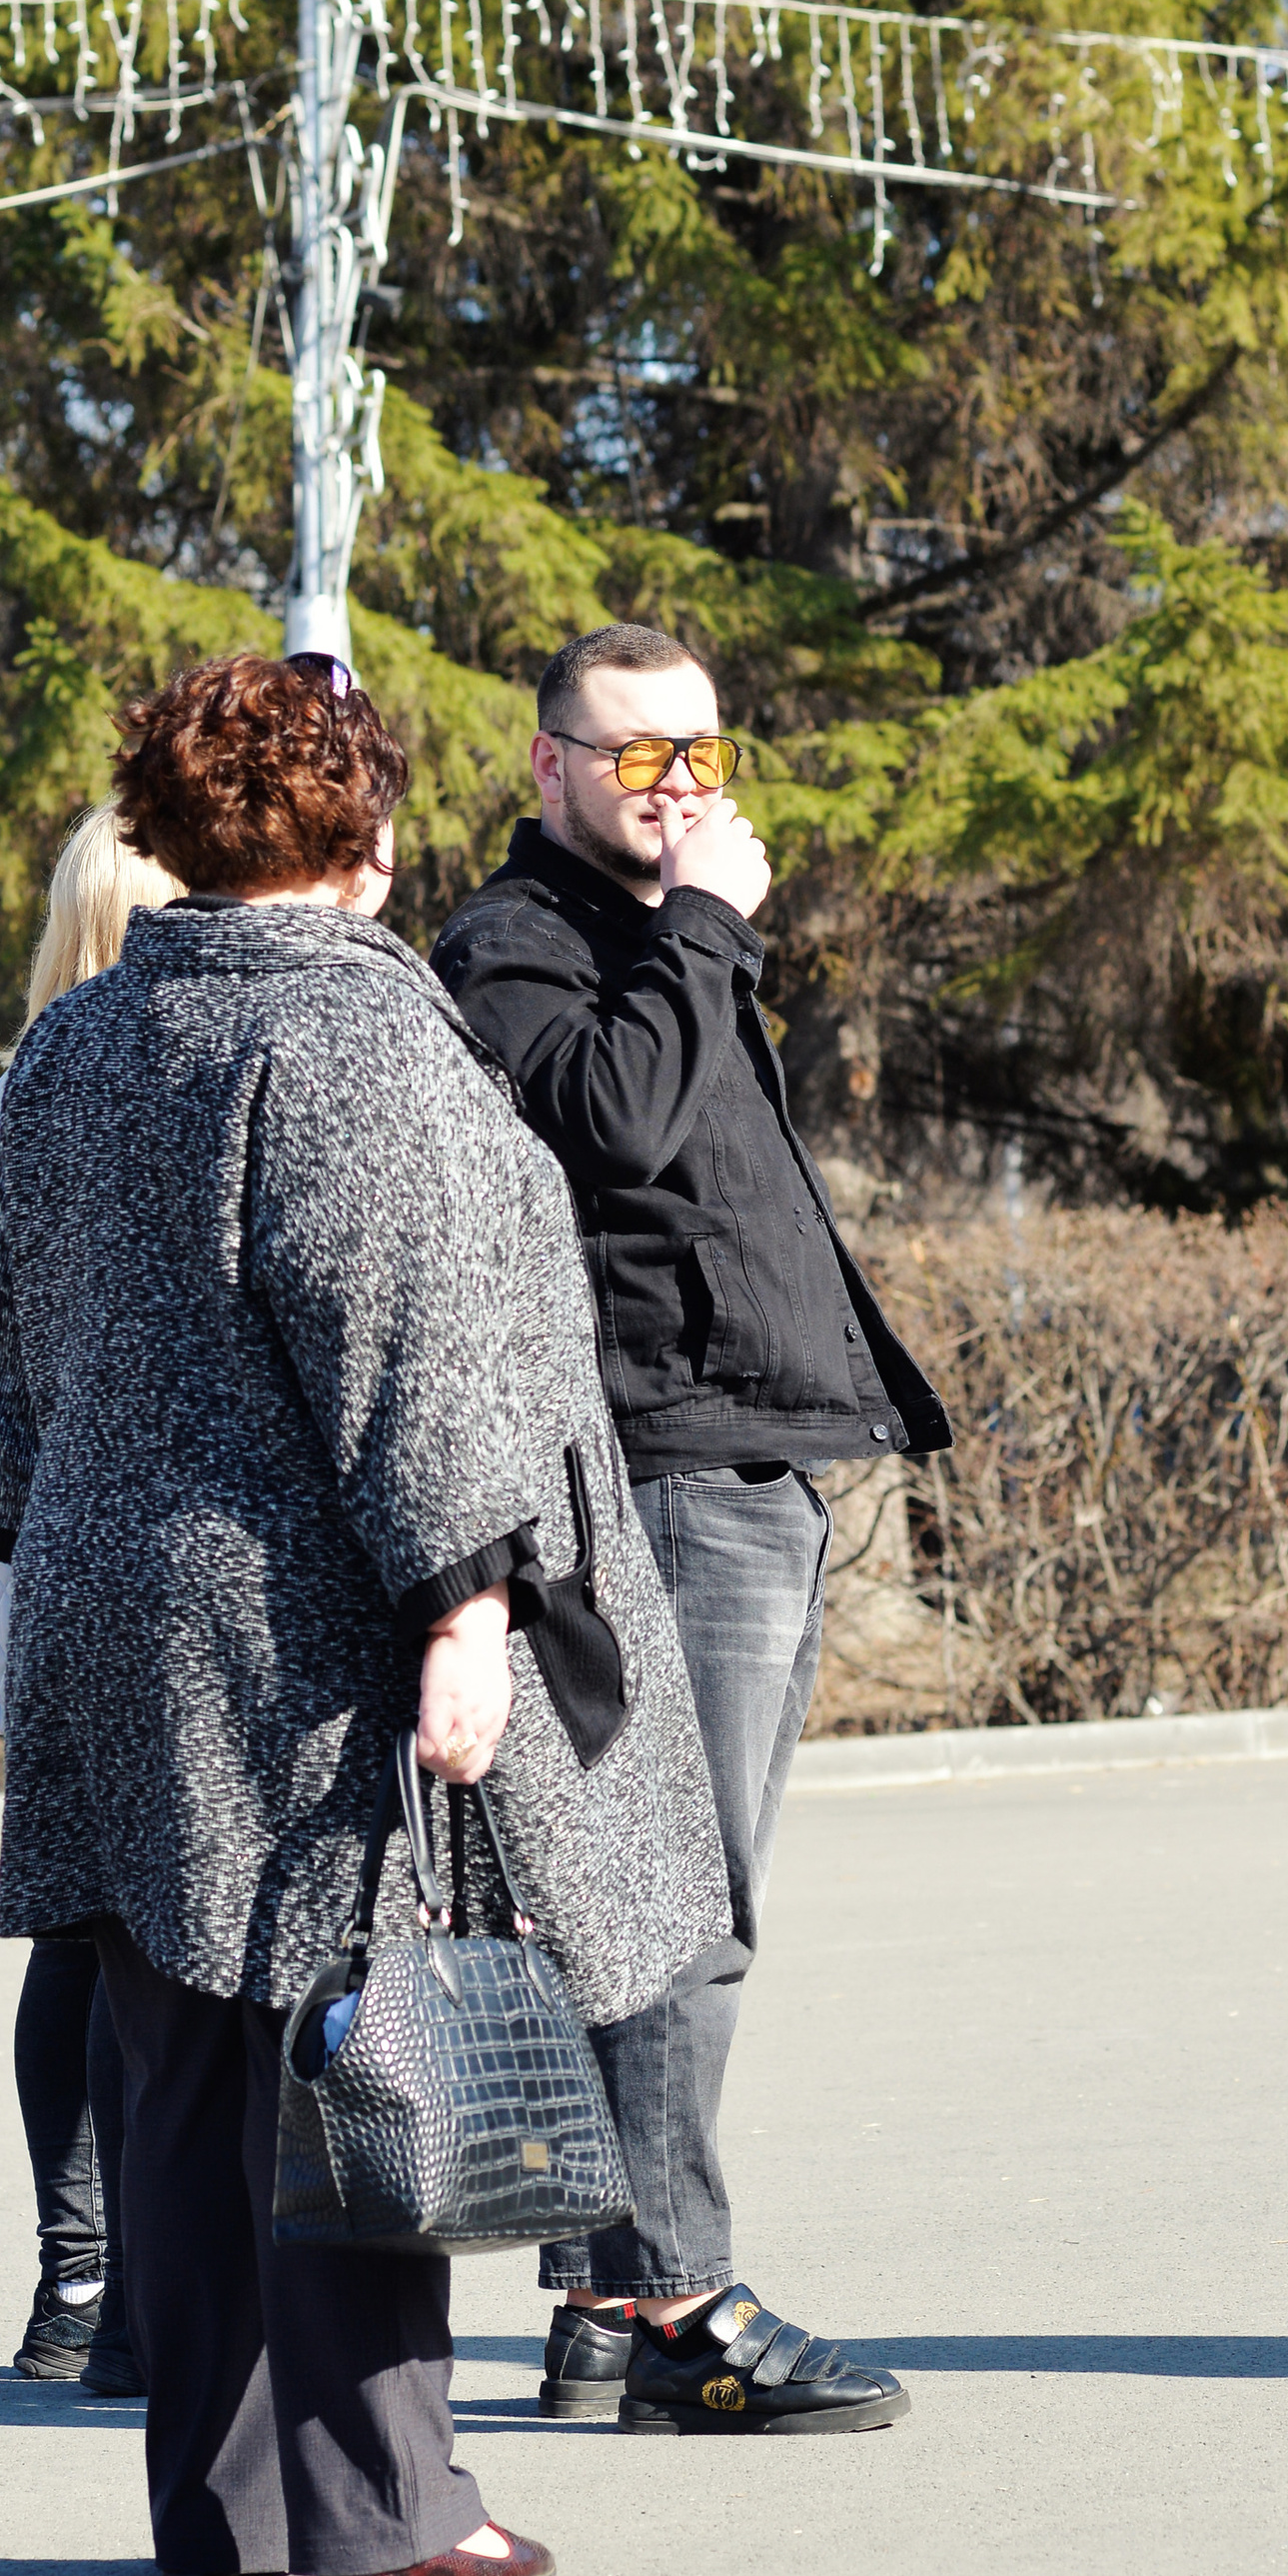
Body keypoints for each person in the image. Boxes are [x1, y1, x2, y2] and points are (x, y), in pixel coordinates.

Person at [0, 649, 728, 2576]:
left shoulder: (75, 1043)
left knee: (189, 2085)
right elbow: (407, 1348)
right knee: (349, 2057)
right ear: (361, 834)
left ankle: (225, 2508)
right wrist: (465, 1602)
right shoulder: (354, 1035)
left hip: (111, 1625)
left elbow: (13, 1357)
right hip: (304, 1641)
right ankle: (390, 2512)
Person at [432, 621, 951, 2439]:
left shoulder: (656, 940)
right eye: (639, 752)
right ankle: (677, 2307)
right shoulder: (512, 946)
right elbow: (616, 1129)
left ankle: (599, 2294)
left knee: (658, 1892)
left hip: (743, 1460)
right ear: (547, 766)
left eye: (704, 751)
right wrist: (706, 927)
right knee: (680, 1907)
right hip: (654, 1471)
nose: (678, 785)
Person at [0, 804, 180, 2393]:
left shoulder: (12, 1101)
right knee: (120, 1933)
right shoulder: (101, 1096)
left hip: (27, 1551)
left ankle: (78, 2275)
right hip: (108, 1558)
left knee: (82, 1928)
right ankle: (111, 2276)